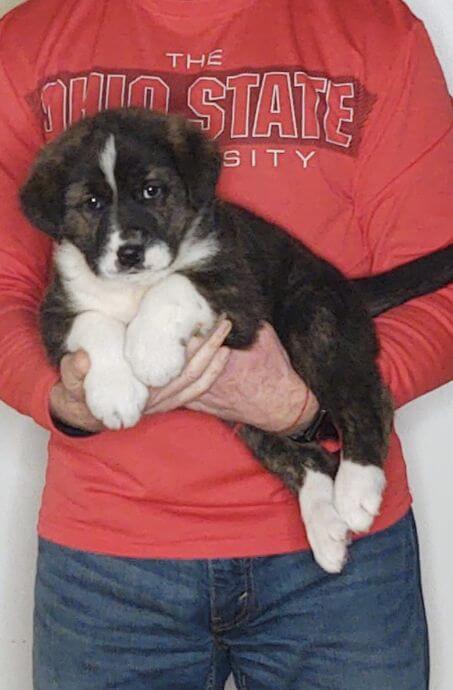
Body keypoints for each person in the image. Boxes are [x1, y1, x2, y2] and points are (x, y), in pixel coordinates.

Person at [0, 0, 451, 687]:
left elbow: (438, 285)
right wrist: (57, 397)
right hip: (108, 564)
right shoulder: (29, 40)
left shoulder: (374, 30)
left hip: (344, 571)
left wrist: (308, 408)